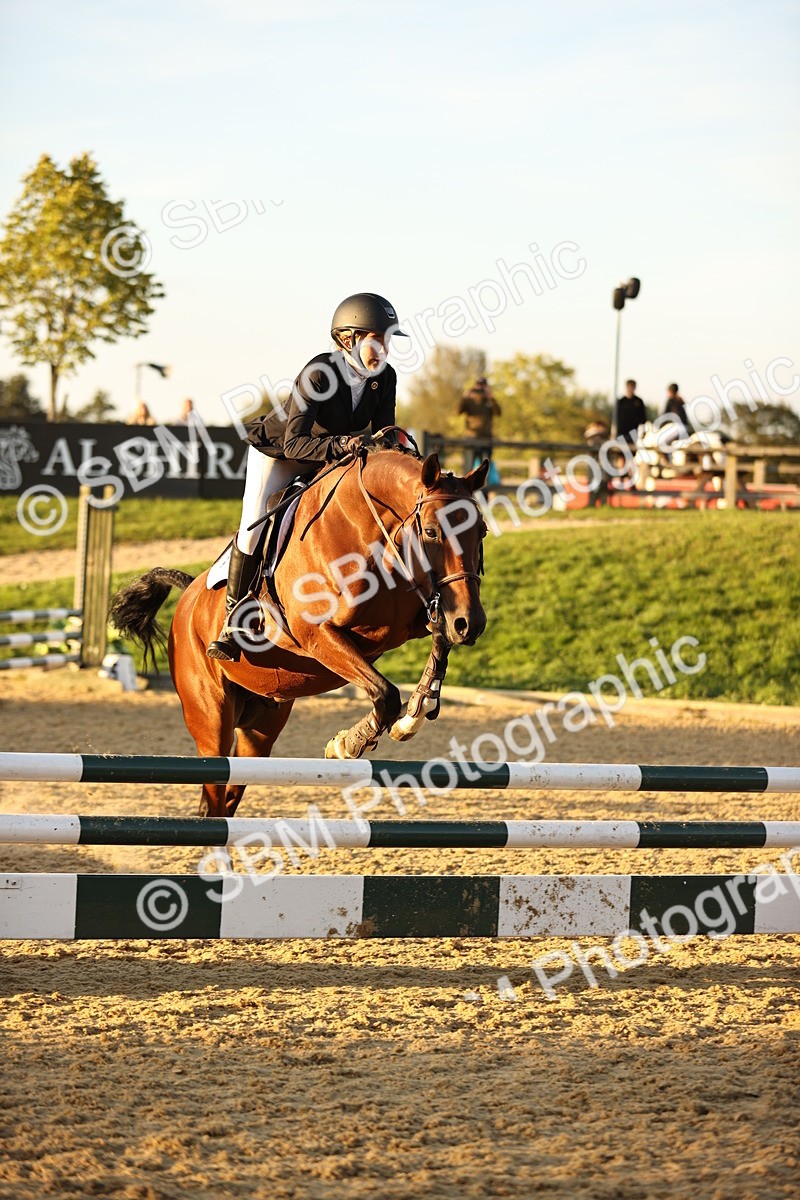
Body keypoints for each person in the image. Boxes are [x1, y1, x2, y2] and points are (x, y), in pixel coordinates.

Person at [207, 292, 408, 661]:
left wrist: (399, 453)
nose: (384, 349)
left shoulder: (385, 378)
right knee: (253, 525)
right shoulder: (320, 373)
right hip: (280, 453)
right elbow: (296, 443)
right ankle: (233, 620)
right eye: (377, 339)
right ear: (349, 339)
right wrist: (345, 445)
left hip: (328, 455)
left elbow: (383, 433)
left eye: (388, 340)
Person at [458, 376, 501, 473]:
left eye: (483, 386)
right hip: (471, 438)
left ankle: (485, 488)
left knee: (485, 469)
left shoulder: (489, 401)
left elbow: (498, 412)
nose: (481, 388)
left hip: (486, 438)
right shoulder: (469, 401)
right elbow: (458, 411)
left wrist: (491, 397)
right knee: (468, 467)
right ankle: (467, 487)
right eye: (479, 386)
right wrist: (465, 397)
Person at [614, 379, 646, 443]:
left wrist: (642, 431)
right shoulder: (621, 402)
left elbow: (643, 418)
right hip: (621, 432)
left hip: (634, 432)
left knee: (632, 451)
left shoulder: (639, 401)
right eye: (629, 386)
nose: (631, 388)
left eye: (632, 387)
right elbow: (616, 418)